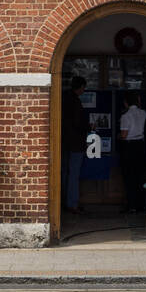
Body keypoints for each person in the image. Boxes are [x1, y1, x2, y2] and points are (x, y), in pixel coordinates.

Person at [61, 75, 88, 214]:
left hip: (64, 142)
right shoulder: (75, 102)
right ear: (81, 87)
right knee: (73, 175)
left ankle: (63, 203)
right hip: (76, 143)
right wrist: (88, 127)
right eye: (84, 88)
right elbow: (78, 123)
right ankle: (72, 204)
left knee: (64, 173)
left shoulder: (63, 98)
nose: (84, 90)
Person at [119, 91, 146, 214]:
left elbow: (124, 135)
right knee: (140, 175)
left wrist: (118, 136)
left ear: (126, 103)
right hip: (140, 145)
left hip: (129, 147)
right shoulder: (143, 113)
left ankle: (131, 205)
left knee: (129, 176)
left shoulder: (125, 116)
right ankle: (141, 204)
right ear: (138, 101)